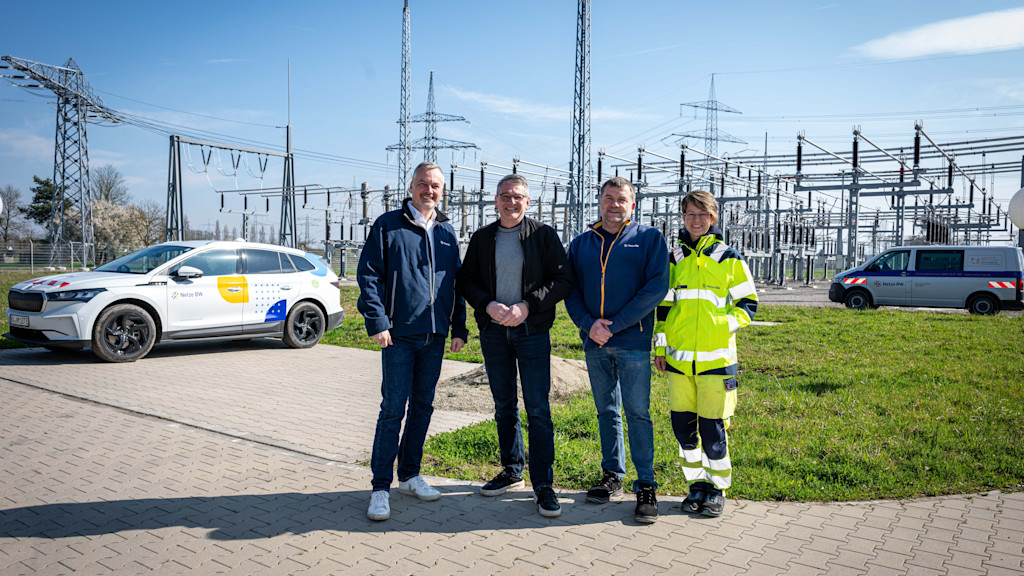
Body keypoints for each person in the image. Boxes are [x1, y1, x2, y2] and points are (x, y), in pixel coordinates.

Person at [456, 174, 573, 518]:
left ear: (528, 201)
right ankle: (511, 470)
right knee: (504, 404)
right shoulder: (482, 238)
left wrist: (526, 306)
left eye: (517, 196)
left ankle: (543, 484)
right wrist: (487, 305)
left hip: (532, 331)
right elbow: (466, 280)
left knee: (538, 407)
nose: (511, 202)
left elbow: (563, 280)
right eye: (505, 196)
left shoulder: (543, 235)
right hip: (494, 332)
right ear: (496, 200)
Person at [357, 161, 468, 522]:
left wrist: (459, 327)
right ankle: (379, 487)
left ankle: (410, 475)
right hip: (399, 334)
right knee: (393, 409)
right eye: (423, 184)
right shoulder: (388, 225)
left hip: (434, 335)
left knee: (423, 407)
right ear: (410, 187)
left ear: (442, 192)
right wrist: (377, 320)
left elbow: (456, 284)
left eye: (435, 186)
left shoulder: (448, 232)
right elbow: (369, 275)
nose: (429, 191)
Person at [565, 176, 669, 524]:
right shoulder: (581, 243)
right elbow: (571, 290)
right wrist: (588, 324)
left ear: (632, 205)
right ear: (600, 201)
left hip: (633, 343)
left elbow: (656, 287)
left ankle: (646, 486)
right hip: (594, 341)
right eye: (608, 198)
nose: (614, 205)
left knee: (638, 413)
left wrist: (617, 323)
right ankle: (612, 476)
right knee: (606, 410)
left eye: (621, 200)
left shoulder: (649, 239)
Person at [653, 189, 758, 518]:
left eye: (702, 215)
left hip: (717, 361)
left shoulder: (729, 257)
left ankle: (717, 488)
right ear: (683, 218)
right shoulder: (675, 259)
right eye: (689, 214)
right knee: (684, 430)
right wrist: (660, 348)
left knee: (713, 432)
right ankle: (695, 486)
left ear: (713, 218)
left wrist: (722, 325)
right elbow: (663, 308)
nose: (696, 220)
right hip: (679, 361)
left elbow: (748, 304)